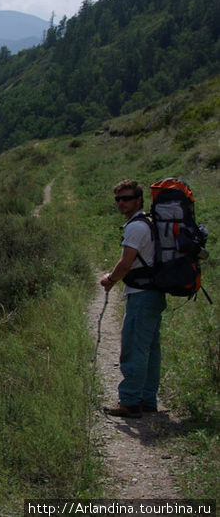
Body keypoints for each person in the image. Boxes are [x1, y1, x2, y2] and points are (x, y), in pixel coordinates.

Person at [99, 179, 166, 419]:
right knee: (150, 349)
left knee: (134, 348)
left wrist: (110, 279)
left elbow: (126, 263)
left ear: (138, 199)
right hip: (153, 294)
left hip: (142, 295)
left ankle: (129, 401)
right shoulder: (147, 222)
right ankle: (147, 400)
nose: (121, 203)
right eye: (118, 199)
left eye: (126, 198)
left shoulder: (136, 227)